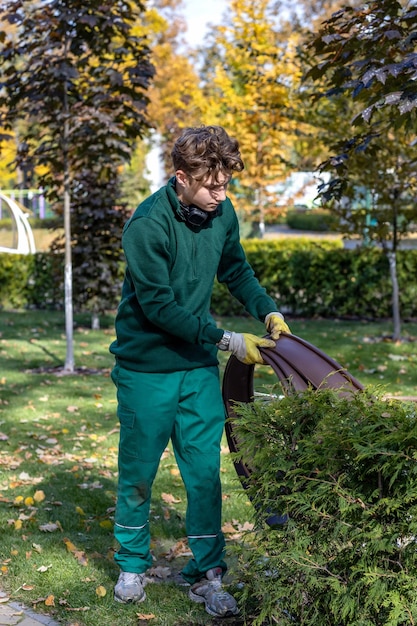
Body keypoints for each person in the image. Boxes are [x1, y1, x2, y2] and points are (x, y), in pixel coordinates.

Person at [109, 125, 290, 618]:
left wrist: (267, 310)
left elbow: (236, 270)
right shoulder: (147, 225)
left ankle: (208, 575)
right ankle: (131, 564)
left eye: (226, 183)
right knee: (139, 473)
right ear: (181, 176)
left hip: (194, 368)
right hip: (146, 368)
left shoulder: (221, 212)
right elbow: (159, 307)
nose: (219, 193)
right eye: (210, 185)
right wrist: (227, 339)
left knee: (204, 473)